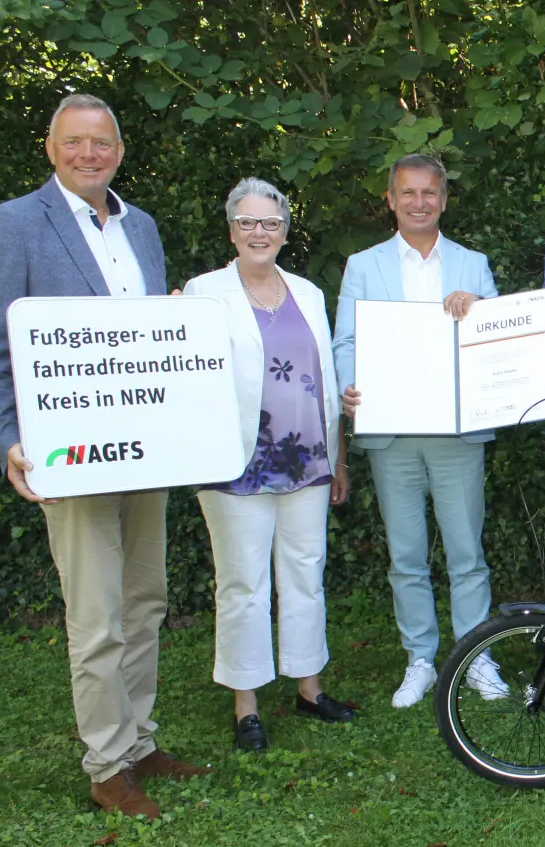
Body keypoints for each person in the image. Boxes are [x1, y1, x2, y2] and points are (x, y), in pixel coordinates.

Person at [0, 94, 208, 820]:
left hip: (147, 451)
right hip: (69, 455)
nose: (88, 154)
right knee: (97, 613)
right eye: (74, 142)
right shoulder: (13, 224)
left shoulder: (143, 228)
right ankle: (107, 763)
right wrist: (10, 440)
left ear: (120, 150)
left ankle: (138, 740)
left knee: (146, 600)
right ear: (50, 148)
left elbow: (148, 341)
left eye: (101, 143)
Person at [333, 154, 517, 708]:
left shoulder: (472, 262)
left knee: (467, 553)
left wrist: (481, 307)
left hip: (456, 432)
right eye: (408, 193)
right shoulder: (363, 265)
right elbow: (347, 342)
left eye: (429, 193)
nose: (419, 202)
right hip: (391, 434)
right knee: (406, 556)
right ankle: (420, 658)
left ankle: (476, 655)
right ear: (391, 200)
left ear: (443, 199)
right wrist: (350, 390)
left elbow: (495, 338)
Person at [183, 178, 356, 751]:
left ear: (285, 231)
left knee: (306, 577)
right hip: (236, 465)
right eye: (248, 222)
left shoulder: (307, 292)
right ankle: (247, 705)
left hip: (307, 459)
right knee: (243, 585)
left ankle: (309, 687)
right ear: (231, 229)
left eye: (271, 222)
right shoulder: (201, 293)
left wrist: (338, 457)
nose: (260, 232)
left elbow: (325, 381)